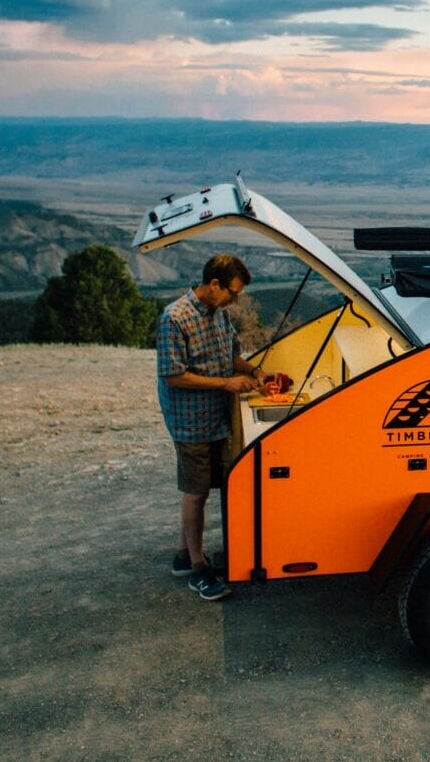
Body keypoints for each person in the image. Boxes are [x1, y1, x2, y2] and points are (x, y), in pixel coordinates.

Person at [156, 253, 267, 601]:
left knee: (204, 486)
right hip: (191, 420)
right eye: (232, 293)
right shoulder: (175, 318)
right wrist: (226, 384)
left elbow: (230, 355)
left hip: (217, 417)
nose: (235, 300)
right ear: (214, 284)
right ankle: (199, 569)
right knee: (196, 493)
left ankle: (183, 556)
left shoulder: (219, 314)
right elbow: (174, 376)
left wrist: (253, 372)